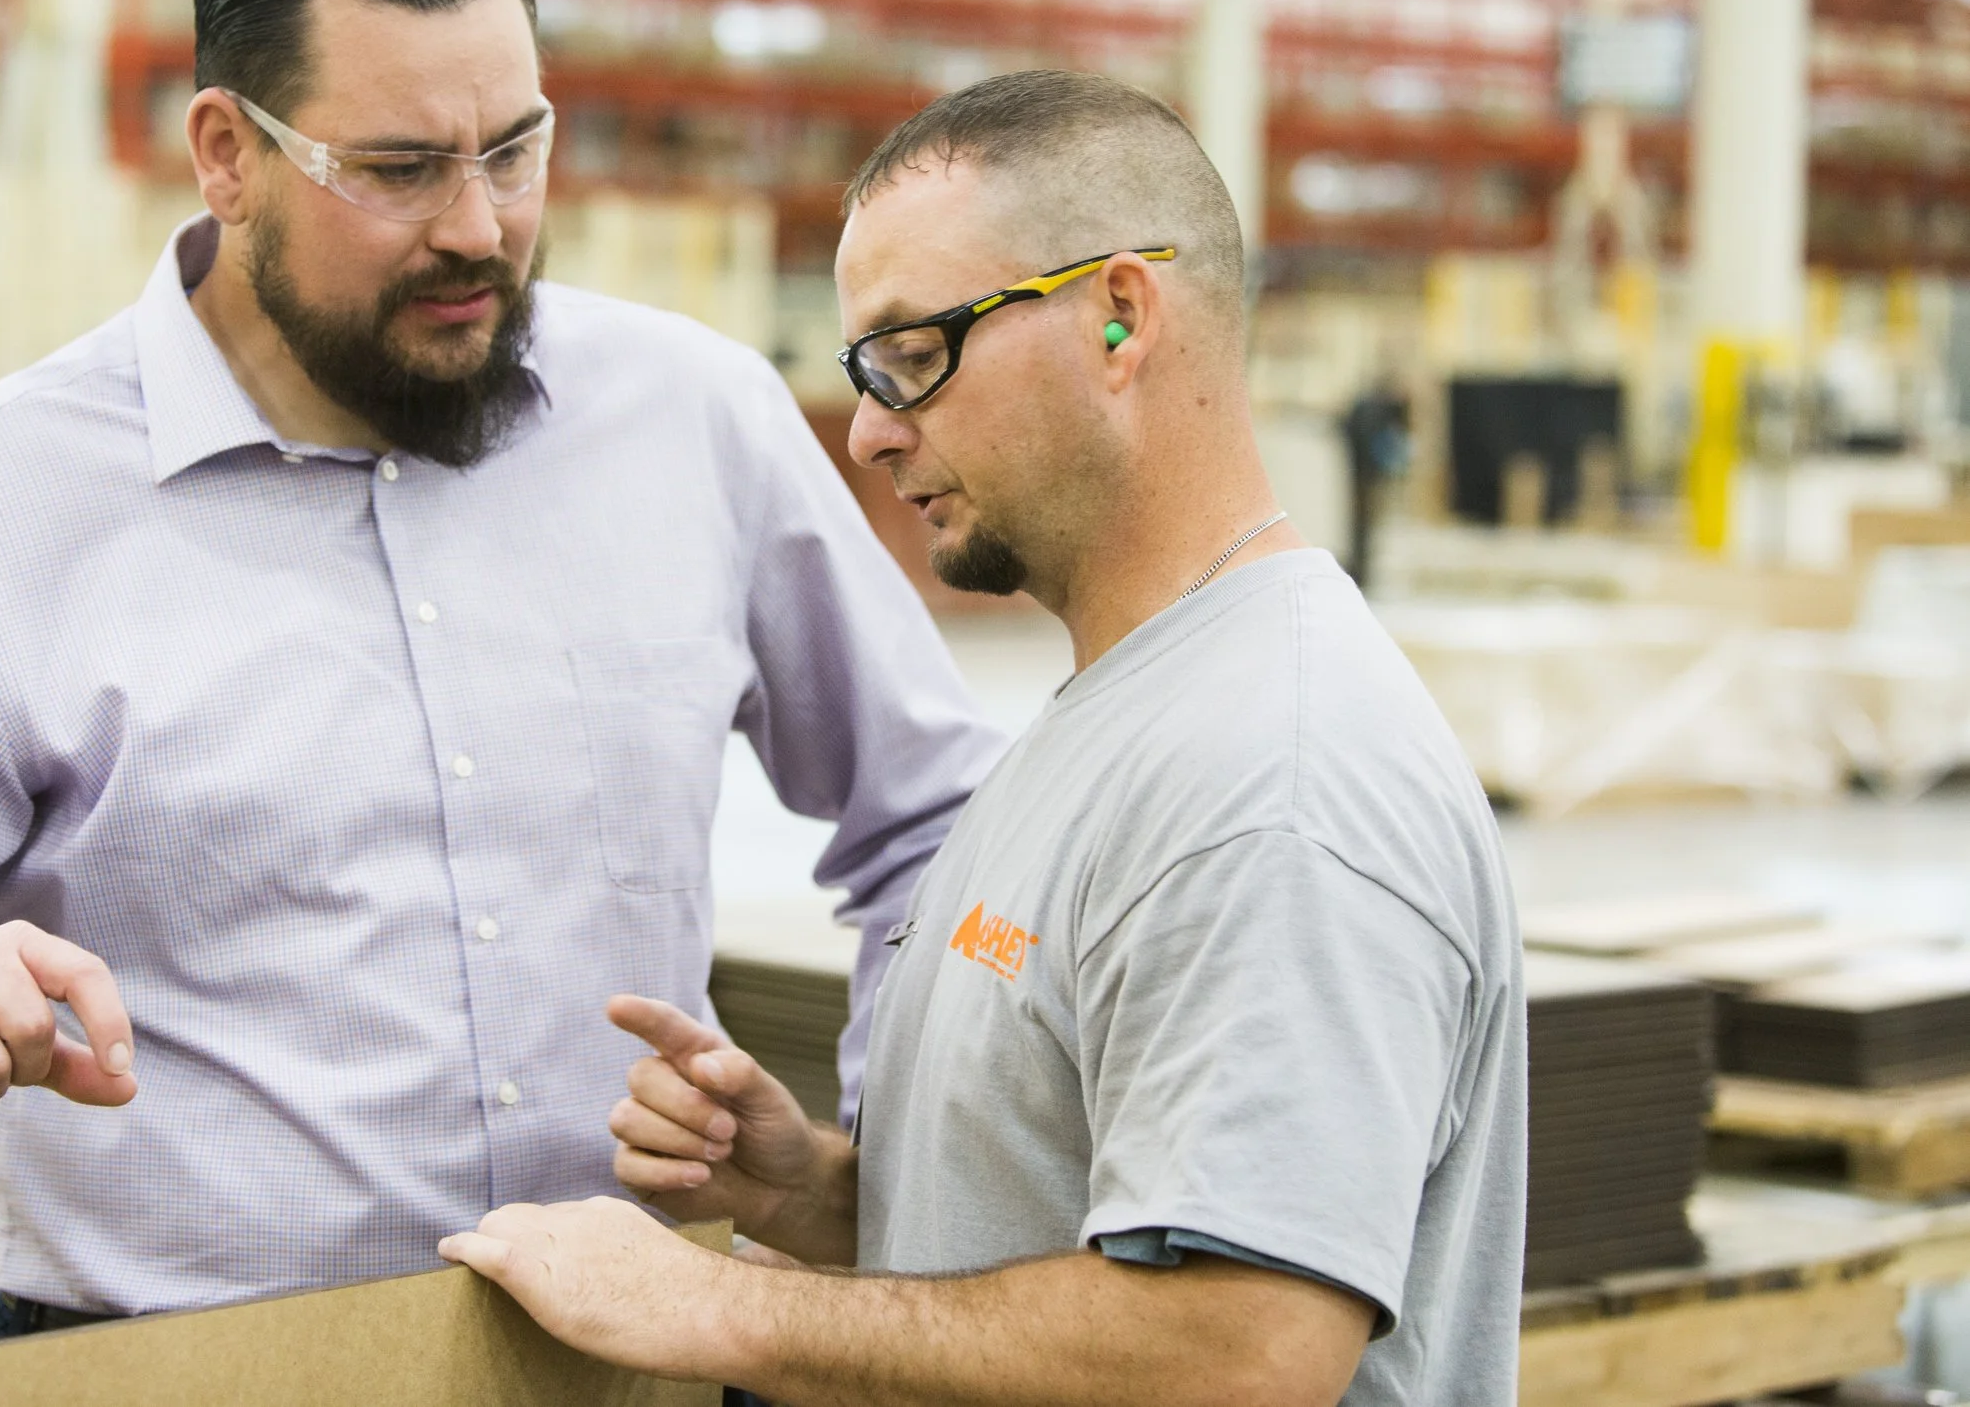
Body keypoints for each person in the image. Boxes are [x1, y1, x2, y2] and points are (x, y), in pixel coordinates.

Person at [0, 0, 1004, 1331]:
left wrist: (876, 1160)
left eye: (515, 148)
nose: (478, 226)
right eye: (400, 169)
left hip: (638, 1349)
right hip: (164, 1365)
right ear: (227, 151)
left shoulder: (693, 422)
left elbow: (941, 820)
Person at [440, 70, 1525, 1407]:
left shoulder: (1273, 780)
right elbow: (1076, 1226)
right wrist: (826, 1196)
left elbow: (1232, 1353)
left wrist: (716, 1303)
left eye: (916, 352)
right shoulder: (1117, 715)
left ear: (1119, 317)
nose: (874, 431)